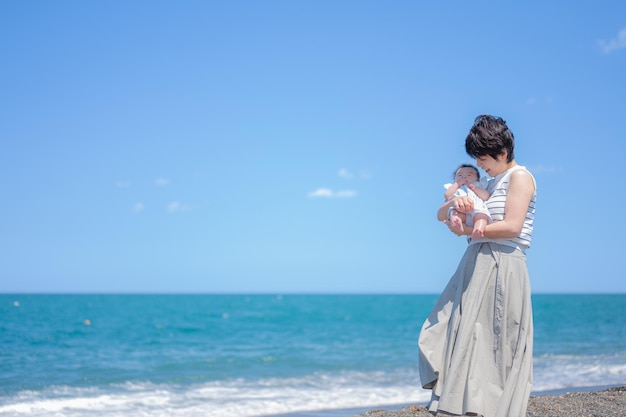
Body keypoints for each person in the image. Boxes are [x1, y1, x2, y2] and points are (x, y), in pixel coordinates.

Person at [418, 115, 536, 417]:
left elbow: (512, 226)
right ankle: (462, 404)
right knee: (451, 329)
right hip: (476, 260)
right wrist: (458, 220)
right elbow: (447, 213)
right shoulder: (490, 182)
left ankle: (488, 408)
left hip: (502, 263)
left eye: (483, 158)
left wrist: (470, 231)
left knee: (495, 341)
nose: (480, 165)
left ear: (503, 152)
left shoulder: (520, 177)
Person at [444, 164, 491, 240]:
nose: (464, 177)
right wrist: (457, 184)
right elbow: (447, 195)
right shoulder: (455, 188)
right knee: (453, 212)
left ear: (477, 180)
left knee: (482, 217)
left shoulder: (478, 187)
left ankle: (478, 230)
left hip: (476, 209)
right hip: (461, 211)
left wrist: (475, 189)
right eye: (460, 175)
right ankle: (456, 222)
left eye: (469, 175)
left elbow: (486, 196)